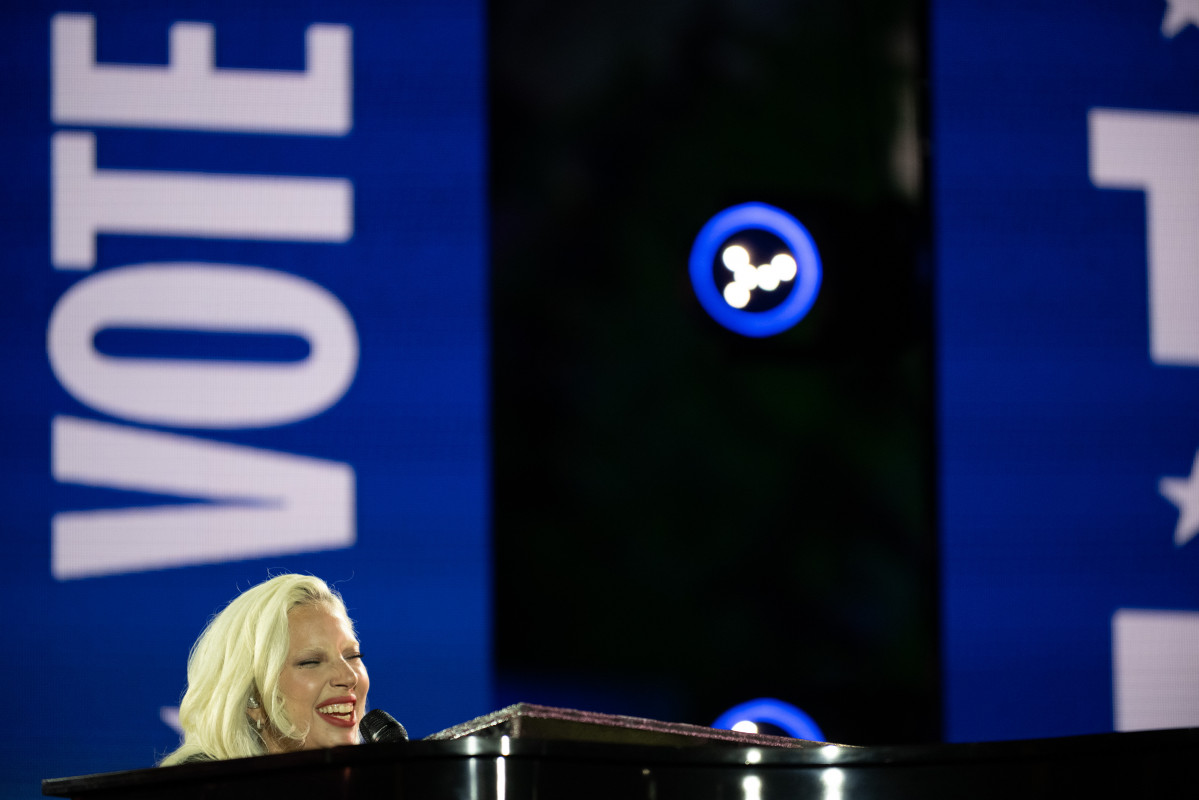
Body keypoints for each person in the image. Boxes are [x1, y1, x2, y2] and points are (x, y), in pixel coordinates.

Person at [159, 574, 370, 765]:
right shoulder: (196, 789)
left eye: (352, 656)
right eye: (311, 662)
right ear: (254, 699)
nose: (348, 676)